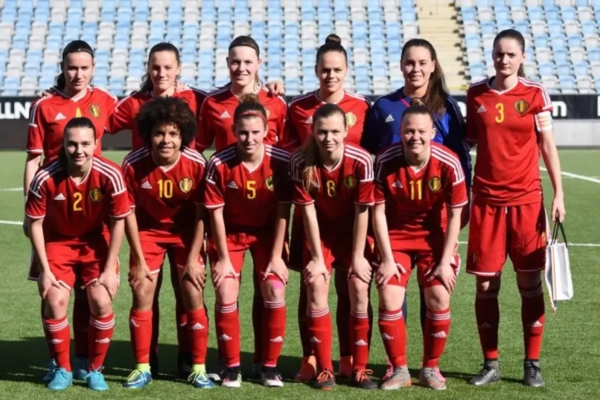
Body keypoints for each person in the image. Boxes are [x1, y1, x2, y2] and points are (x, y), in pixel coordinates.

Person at [465, 29, 565, 388]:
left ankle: (531, 363)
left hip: (526, 201)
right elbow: (466, 144)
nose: (504, 59)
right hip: (487, 202)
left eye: (510, 54)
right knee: (486, 284)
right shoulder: (476, 94)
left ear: (522, 57)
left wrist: (559, 194)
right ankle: (490, 363)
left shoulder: (535, 93)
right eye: (499, 53)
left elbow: (548, 145)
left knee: (529, 282)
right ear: (492, 55)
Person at [105, 42, 205, 378]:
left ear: (178, 68)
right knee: (145, 287)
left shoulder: (198, 99)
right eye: (155, 67)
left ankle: (190, 358)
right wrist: (61, 93)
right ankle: (148, 359)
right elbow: (98, 118)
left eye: (167, 67)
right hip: (146, 213)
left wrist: (266, 86)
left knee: (187, 287)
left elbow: (235, 102)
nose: (161, 73)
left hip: (185, 214)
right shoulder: (135, 102)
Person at [361, 38, 472, 339]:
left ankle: (427, 358)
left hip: (433, 217)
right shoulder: (383, 106)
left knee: (432, 289)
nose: (416, 69)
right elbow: (369, 156)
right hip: (391, 217)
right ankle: (396, 358)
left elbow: (461, 159)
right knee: (392, 287)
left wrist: (464, 206)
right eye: (410, 62)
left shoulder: (446, 106)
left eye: (423, 63)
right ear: (401, 65)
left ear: (433, 66)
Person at [23, 40, 118, 383]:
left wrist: (174, 87)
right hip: (54, 210)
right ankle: (58, 362)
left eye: (84, 68)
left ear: (93, 68)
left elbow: (146, 111)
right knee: (53, 292)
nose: (78, 74)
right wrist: (29, 209)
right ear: (62, 68)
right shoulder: (44, 105)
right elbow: (33, 159)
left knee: (90, 292)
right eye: (72, 67)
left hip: (92, 209)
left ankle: (84, 360)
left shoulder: (105, 100)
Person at [280, 34, 373, 382]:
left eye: (337, 69)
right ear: (316, 70)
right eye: (325, 70)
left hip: (351, 214)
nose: (330, 75)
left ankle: (351, 358)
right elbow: (287, 148)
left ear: (346, 70)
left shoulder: (363, 107)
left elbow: (370, 155)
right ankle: (313, 359)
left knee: (354, 285)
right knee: (311, 284)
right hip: (313, 213)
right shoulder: (297, 107)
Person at [197, 35, 287, 377]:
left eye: (248, 61)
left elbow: (288, 151)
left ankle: (266, 362)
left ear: (259, 64)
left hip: (267, 214)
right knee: (226, 288)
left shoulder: (276, 102)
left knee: (270, 289)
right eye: (235, 61)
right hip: (227, 212)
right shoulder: (212, 102)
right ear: (227, 63)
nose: (241, 67)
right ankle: (229, 361)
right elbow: (197, 148)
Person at [25, 117, 130, 391]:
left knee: (101, 299)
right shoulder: (45, 176)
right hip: (57, 243)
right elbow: (34, 224)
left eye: (85, 143)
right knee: (55, 299)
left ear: (96, 144)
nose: (79, 150)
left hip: (96, 242)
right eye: (72, 144)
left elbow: (119, 220)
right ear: (64, 145)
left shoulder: (111, 174)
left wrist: (110, 269)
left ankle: (95, 369)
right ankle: (63, 368)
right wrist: (44, 271)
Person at [371, 100, 467, 390]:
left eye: (422, 131)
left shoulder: (449, 162)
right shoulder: (385, 160)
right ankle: (399, 370)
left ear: (432, 132)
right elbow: (377, 212)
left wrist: (446, 260)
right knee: (389, 297)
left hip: (434, 239)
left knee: (438, 296)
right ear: (400, 131)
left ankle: (430, 369)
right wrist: (387, 259)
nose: (415, 137)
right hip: (396, 238)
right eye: (409, 131)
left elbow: (455, 214)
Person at [120, 97, 212, 389]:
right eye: (159, 133)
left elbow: (202, 216)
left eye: (173, 133)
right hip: (147, 233)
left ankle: (198, 367)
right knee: (142, 290)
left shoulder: (197, 164)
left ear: (184, 135)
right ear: (149, 134)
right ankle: (143, 366)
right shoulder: (133, 164)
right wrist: (137, 258)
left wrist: (195, 258)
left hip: (187, 234)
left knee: (192, 290)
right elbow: (128, 214)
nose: (166, 140)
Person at [290, 103, 375, 390]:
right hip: (320, 234)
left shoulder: (361, 160)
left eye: (335, 132)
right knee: (316, 285)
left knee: (359, 286)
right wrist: (316, 257)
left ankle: (360, 368)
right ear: (313, 131)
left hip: (352, 233)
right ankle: (325, 369)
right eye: (323, 132)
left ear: (346, 130)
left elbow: (363, 211)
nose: (329, 138)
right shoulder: (300, 161)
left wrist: (359, 256)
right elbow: (308, 211)